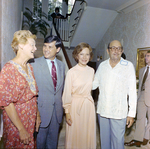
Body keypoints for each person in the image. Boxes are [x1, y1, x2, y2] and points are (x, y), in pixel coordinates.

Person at [0, 30, 41, 148]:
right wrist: (21, 129)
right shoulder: (8, 70)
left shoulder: (29, 67)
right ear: (21, 45)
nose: (35, 48)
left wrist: (37, 115)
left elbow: (33, 94)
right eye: (32, 45)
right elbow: (7, 103)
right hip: (17, 122)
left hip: (30, 118)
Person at [93, 40, 137, 149]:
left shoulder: (128, 66)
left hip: (119, 112)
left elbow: (132, 91)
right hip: (103, 110)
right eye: (113, 48)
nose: (116, 50)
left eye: (118, 48)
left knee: (117, 143)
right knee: (104, 142)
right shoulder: (102, 66)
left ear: (122, 51)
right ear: (108, 51)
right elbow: (94, 84)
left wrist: (131, 113)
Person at [31, 35, 65, 149]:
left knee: (52, 144)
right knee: (40, 144)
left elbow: (60, 89)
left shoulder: (61, 65)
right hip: (41, 112)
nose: (46, 49)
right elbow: (31, 91)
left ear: (58, 49)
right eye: (45, 46)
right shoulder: (33, 64)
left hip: (57, 113)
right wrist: (35, 113)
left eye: (50, 47)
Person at [62, 42, 96, 149]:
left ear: (90, 56)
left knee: (87, 132)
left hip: (88, 105)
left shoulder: (92, 71)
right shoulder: (71, 72)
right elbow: (67, 93)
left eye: (87, 54)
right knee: (75, 133)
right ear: (77, 55)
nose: (84, 57)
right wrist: (67, 112)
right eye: (81, 54)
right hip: (75, 105)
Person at [124, 50, 150, 147]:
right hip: (141, 97)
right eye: (146, 56)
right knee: (139, 119)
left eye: (148, 56)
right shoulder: (142, 70)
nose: (146, 58)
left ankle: (146, 137)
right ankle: (137, 140)